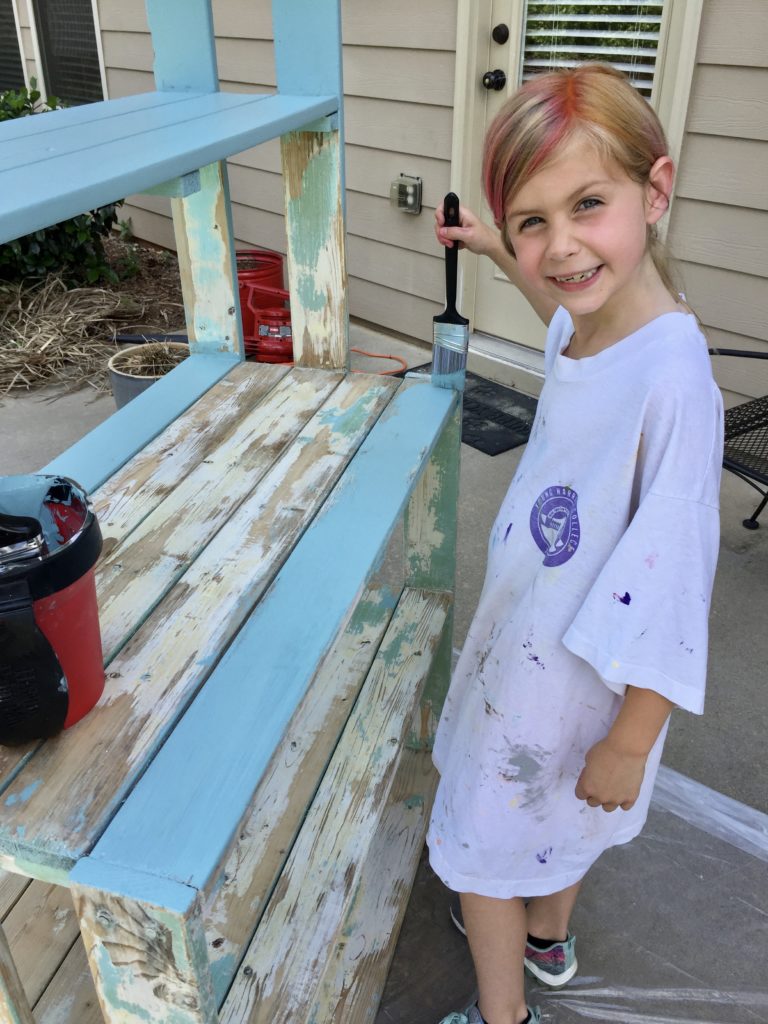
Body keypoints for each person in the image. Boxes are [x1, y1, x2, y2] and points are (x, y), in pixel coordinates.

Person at [428, 63, 723, 1024]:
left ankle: (502, 1013)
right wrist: (482, 245)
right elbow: (552, 300)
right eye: (532, 221)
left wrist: (632, 742)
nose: (561, 248)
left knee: (483, 838)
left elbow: (679, 581)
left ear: (657, 190)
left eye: (588, 204)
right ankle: (549, 941)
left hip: (577, 675)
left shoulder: (672, 385)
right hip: (533, 637)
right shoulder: (590, 322)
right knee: (568, 823)